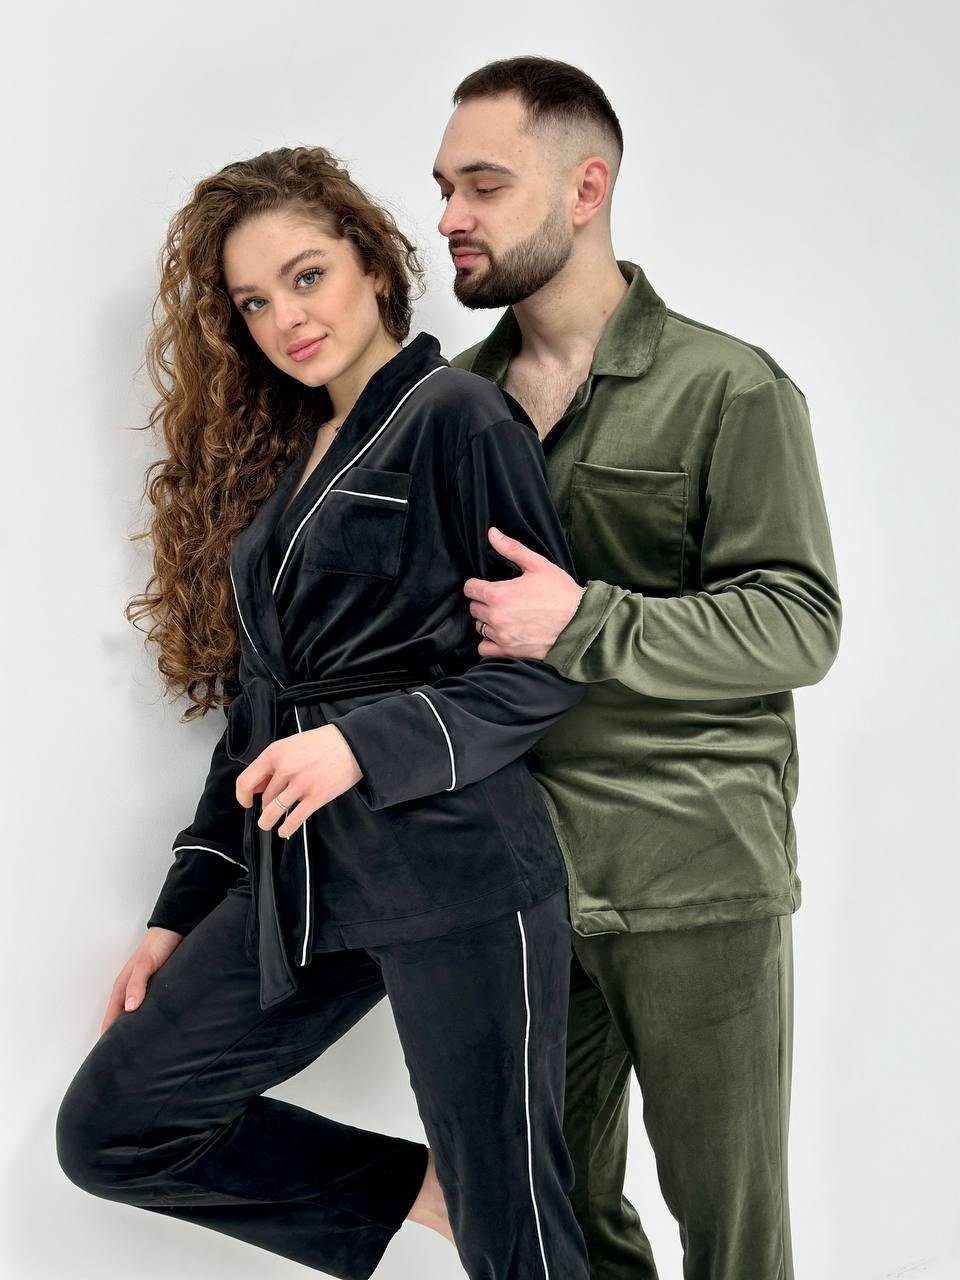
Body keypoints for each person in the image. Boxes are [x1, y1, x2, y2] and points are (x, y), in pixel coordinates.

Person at [55, 144, 592, 1280]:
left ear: (373, 264)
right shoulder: (292, 465)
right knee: (113, 1127)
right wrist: (180, 910)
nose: (287, 318)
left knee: (519, 1234)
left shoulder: (461, 419)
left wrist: (361, 743)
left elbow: (543, 669)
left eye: (307, 276)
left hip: (458, 869)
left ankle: (484, 1195)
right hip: (305, 877)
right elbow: (260, 711)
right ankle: (424, 1188)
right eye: (254, 301)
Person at [433, 56, 843, 1280]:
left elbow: (799, 622)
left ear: (586, 188)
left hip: (694, 876)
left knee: (733, 1234)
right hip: (519, 884)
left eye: (484, 186)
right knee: (556, 1219)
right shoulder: (452, 404)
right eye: (444, 187)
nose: (450, 216)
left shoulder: (729, 387)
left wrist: (585, 620)